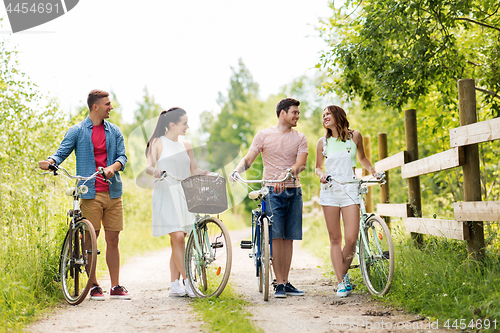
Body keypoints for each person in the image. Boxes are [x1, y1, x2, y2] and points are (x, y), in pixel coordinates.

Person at [39, 89, 130, 300]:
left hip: (113, 191)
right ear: (95, 107)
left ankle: (115, 286)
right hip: (90, 192)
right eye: (108, 104)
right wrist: (51, 162)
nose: (111, 107)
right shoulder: (77, 131)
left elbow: (122, 157)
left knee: (113, 239)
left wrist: (112, 168)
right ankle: (93, 284)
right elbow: (61, 153)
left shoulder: (114, 131)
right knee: (91, 239)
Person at [231, 97, 308, 298]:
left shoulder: (300, 137)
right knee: (276, 237)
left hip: (293, 190)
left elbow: (301, 164)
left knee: (289, 237)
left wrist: (288, 174)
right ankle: (279, 283)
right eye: (295, 112)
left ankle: (286, 281)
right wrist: (236, 171)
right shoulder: (263, 135)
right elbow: (248, 160)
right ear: (283, 113)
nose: (297, 116)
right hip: (271, 192)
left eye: (298, 113)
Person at [145, 107, 214, 297]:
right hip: (166, 193)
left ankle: (174, 285)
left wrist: (207, 173)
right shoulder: (158, 142)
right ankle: (188, 282)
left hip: (184, 194)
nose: (188, 126)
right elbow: (148, 167)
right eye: (185, 123)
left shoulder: (186, 145)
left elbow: (194, 169)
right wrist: (156, 171)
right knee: (177, 238)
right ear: (172, 124)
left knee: (179, 241)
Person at [315, 105, 378, 297]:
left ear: (338, 115)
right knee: (335, 239)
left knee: (351, 239)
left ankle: (341, 274)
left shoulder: (355, 136)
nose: (325, 117)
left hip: (350, 188)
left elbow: (362, 158)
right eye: (323, 115)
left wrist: (373, 171)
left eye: (328, 114)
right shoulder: (322, 142)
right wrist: (322, 175)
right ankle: (342, 281)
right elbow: (317, 167)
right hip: (330, 191)